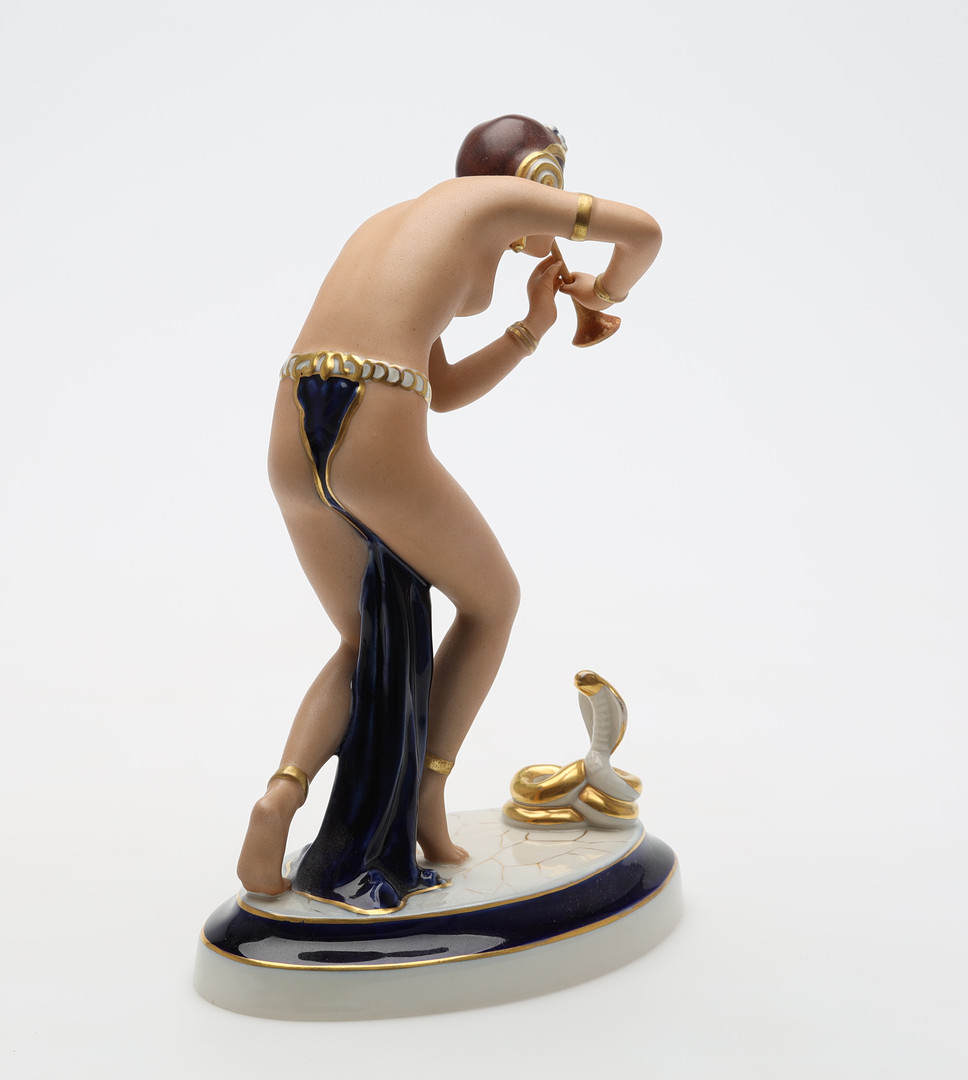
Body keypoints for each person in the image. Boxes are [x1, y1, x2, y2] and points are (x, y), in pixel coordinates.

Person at [236, 115, 662, 909]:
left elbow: (446, 389)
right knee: (493, 601)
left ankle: (281, 796)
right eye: (555, 182)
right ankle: (429, 792)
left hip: (294, 423)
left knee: (363, 643)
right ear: (536, 178)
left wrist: (532, 327)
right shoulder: (495, 201)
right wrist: (605, 294)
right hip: (373, 422)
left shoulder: (401, 224)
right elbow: (644, 232)